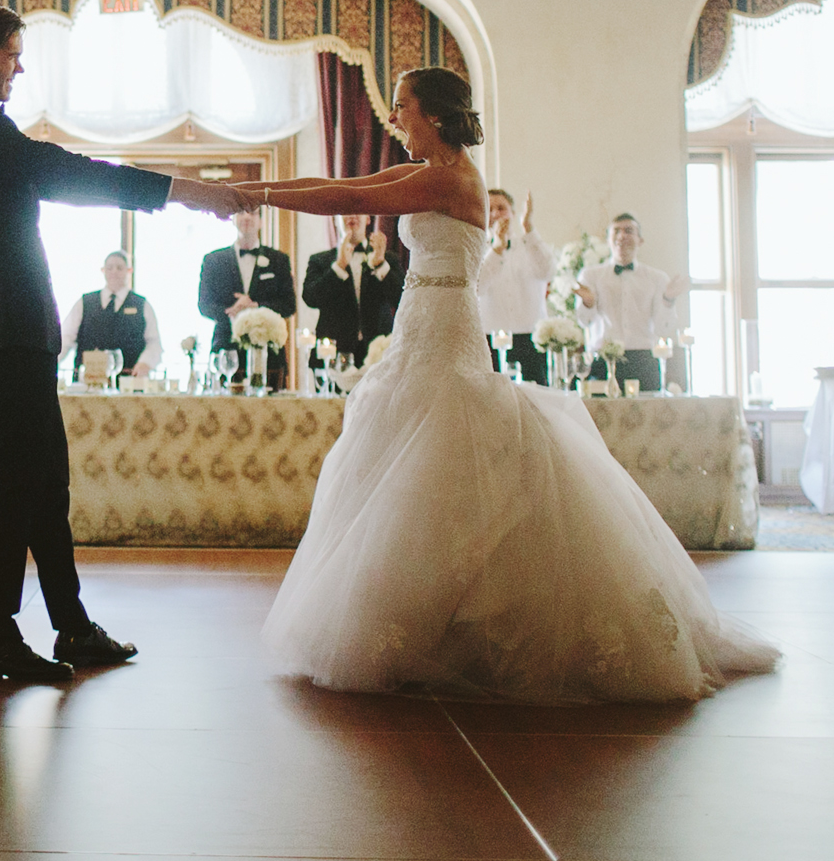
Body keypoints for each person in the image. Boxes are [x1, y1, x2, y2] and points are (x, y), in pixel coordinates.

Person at [237, 69, 776, 703]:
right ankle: (436, 619)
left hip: (444, 329)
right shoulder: (431, 169)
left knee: (441, 454)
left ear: (434, 114)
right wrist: (254, 190)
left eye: (403, 106)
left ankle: (445, 621)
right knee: (412, 463)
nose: (395, 119)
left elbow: (339, 193)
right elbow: (348, 187)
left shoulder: (450, 176)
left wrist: (254, 193)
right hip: (421, 324)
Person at [0, 0, 245, 682]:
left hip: (19, 324)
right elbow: (69, 171)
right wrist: (183, 190)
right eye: (12, 55)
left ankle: (71, 628)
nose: (19, 68)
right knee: (18, 485)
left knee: (45, 485)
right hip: (10, 324)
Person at [575, 214, 688, 392]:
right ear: (608, 239)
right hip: (603, 359)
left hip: (643, 360)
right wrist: (588, 303)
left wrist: (668, 300)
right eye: (616, 231)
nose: (622, 236)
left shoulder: (657, 278)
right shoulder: (590, 276)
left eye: (629, 231)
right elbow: (584, 322)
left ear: (640, 240)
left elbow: (663, 329)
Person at [197, 208, 296, 389]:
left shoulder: (279, 260)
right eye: (241, 212)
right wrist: (232, 312)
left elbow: (289, 305)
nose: (246, 217)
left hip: (269, 353)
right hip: (226, 350)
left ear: (261, 221)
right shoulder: (213, 260)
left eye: (253, 213)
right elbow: (204, 305)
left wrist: (255, 306)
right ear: (233, 219)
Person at [301, 214, 403, 379]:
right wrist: (339, 267)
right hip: (333, 356)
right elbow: (310, 298)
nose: (351, 215)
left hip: (378, 356)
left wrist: (380, 265)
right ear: (335, 219)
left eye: (357, 210)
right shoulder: (320, 260)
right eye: (345, 211)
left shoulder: (387, 258)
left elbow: (401, 299)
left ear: (368, 218)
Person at [477, 188, 554, 385]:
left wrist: (528, 228)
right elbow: (476, 288)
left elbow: (548, 272)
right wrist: (496, 249)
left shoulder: (531, 246)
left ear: (512, 213)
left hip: (532, 339)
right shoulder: (475, 252)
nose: (495, 214)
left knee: (535, 404)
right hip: (489, 340)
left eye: (501, 208)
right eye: (489, 209)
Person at [60, 249, 161, 380]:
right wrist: (51, 363)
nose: (114, 272)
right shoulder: (84, 302)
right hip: (87, 383)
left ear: (129, 271)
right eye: (110, 268)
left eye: (119, 268)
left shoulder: (142, 305)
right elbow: (66, 338)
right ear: (103, 270)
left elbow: (154, 343)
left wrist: (145, 363)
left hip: (129, 382)